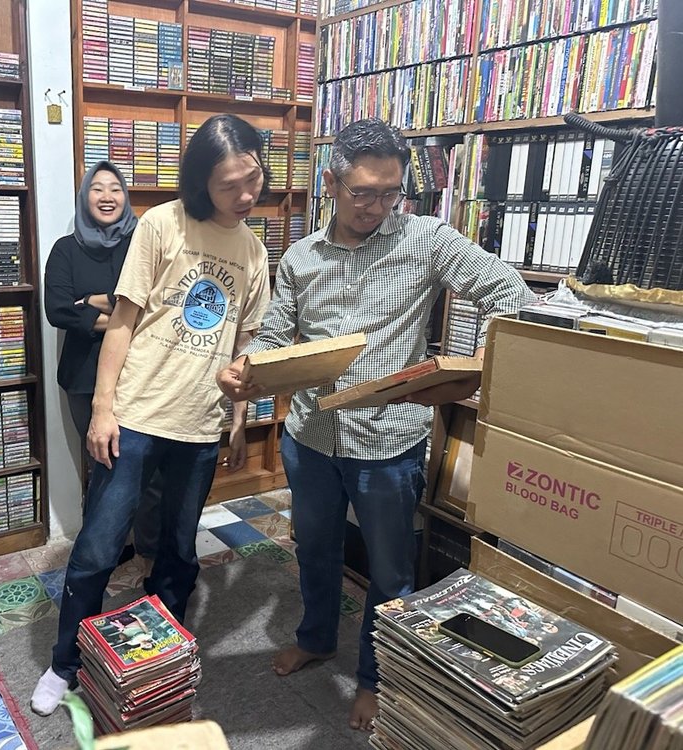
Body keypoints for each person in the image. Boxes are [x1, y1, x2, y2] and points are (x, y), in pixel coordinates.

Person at [217, 118, 536, 731]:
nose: (376, 206)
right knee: (315, 550)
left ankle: (375, 676)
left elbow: (510, 294)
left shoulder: (426, 238)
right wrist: (245, 370)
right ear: (331, 182)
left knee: (390, 572)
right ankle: (316, 639)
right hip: (311, 438)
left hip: (390, 443)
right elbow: (276, 338)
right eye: (362, 192)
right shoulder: (302, 257)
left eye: (390, 193)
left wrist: (476, 364)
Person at [31, 113, 273, 716]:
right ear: (200, 181)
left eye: (253, 179)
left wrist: (237, 421)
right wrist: (102, 411)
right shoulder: (163, 224)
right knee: (97, 547)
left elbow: (244, 347)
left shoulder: (254, 250)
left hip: (200, 424)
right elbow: (122, 323)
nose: (245, 195)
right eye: (229, 185)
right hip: (136, 417)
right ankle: (65, 662)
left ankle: (157, 659)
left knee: (178, 552)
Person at [43, 161, 160, 562]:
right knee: (104, 464)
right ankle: (109, 547)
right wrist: (121, 312)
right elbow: (58, 309)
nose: (107, 197)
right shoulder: (65, 249)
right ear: (84, 197)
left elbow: (154, 305)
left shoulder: (142, 244)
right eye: (97, 188)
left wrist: (89, 302)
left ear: (125, 196)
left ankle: (149, 544)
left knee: (149, 466)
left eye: (115, 188)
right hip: (84, 378)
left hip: (141, 373)